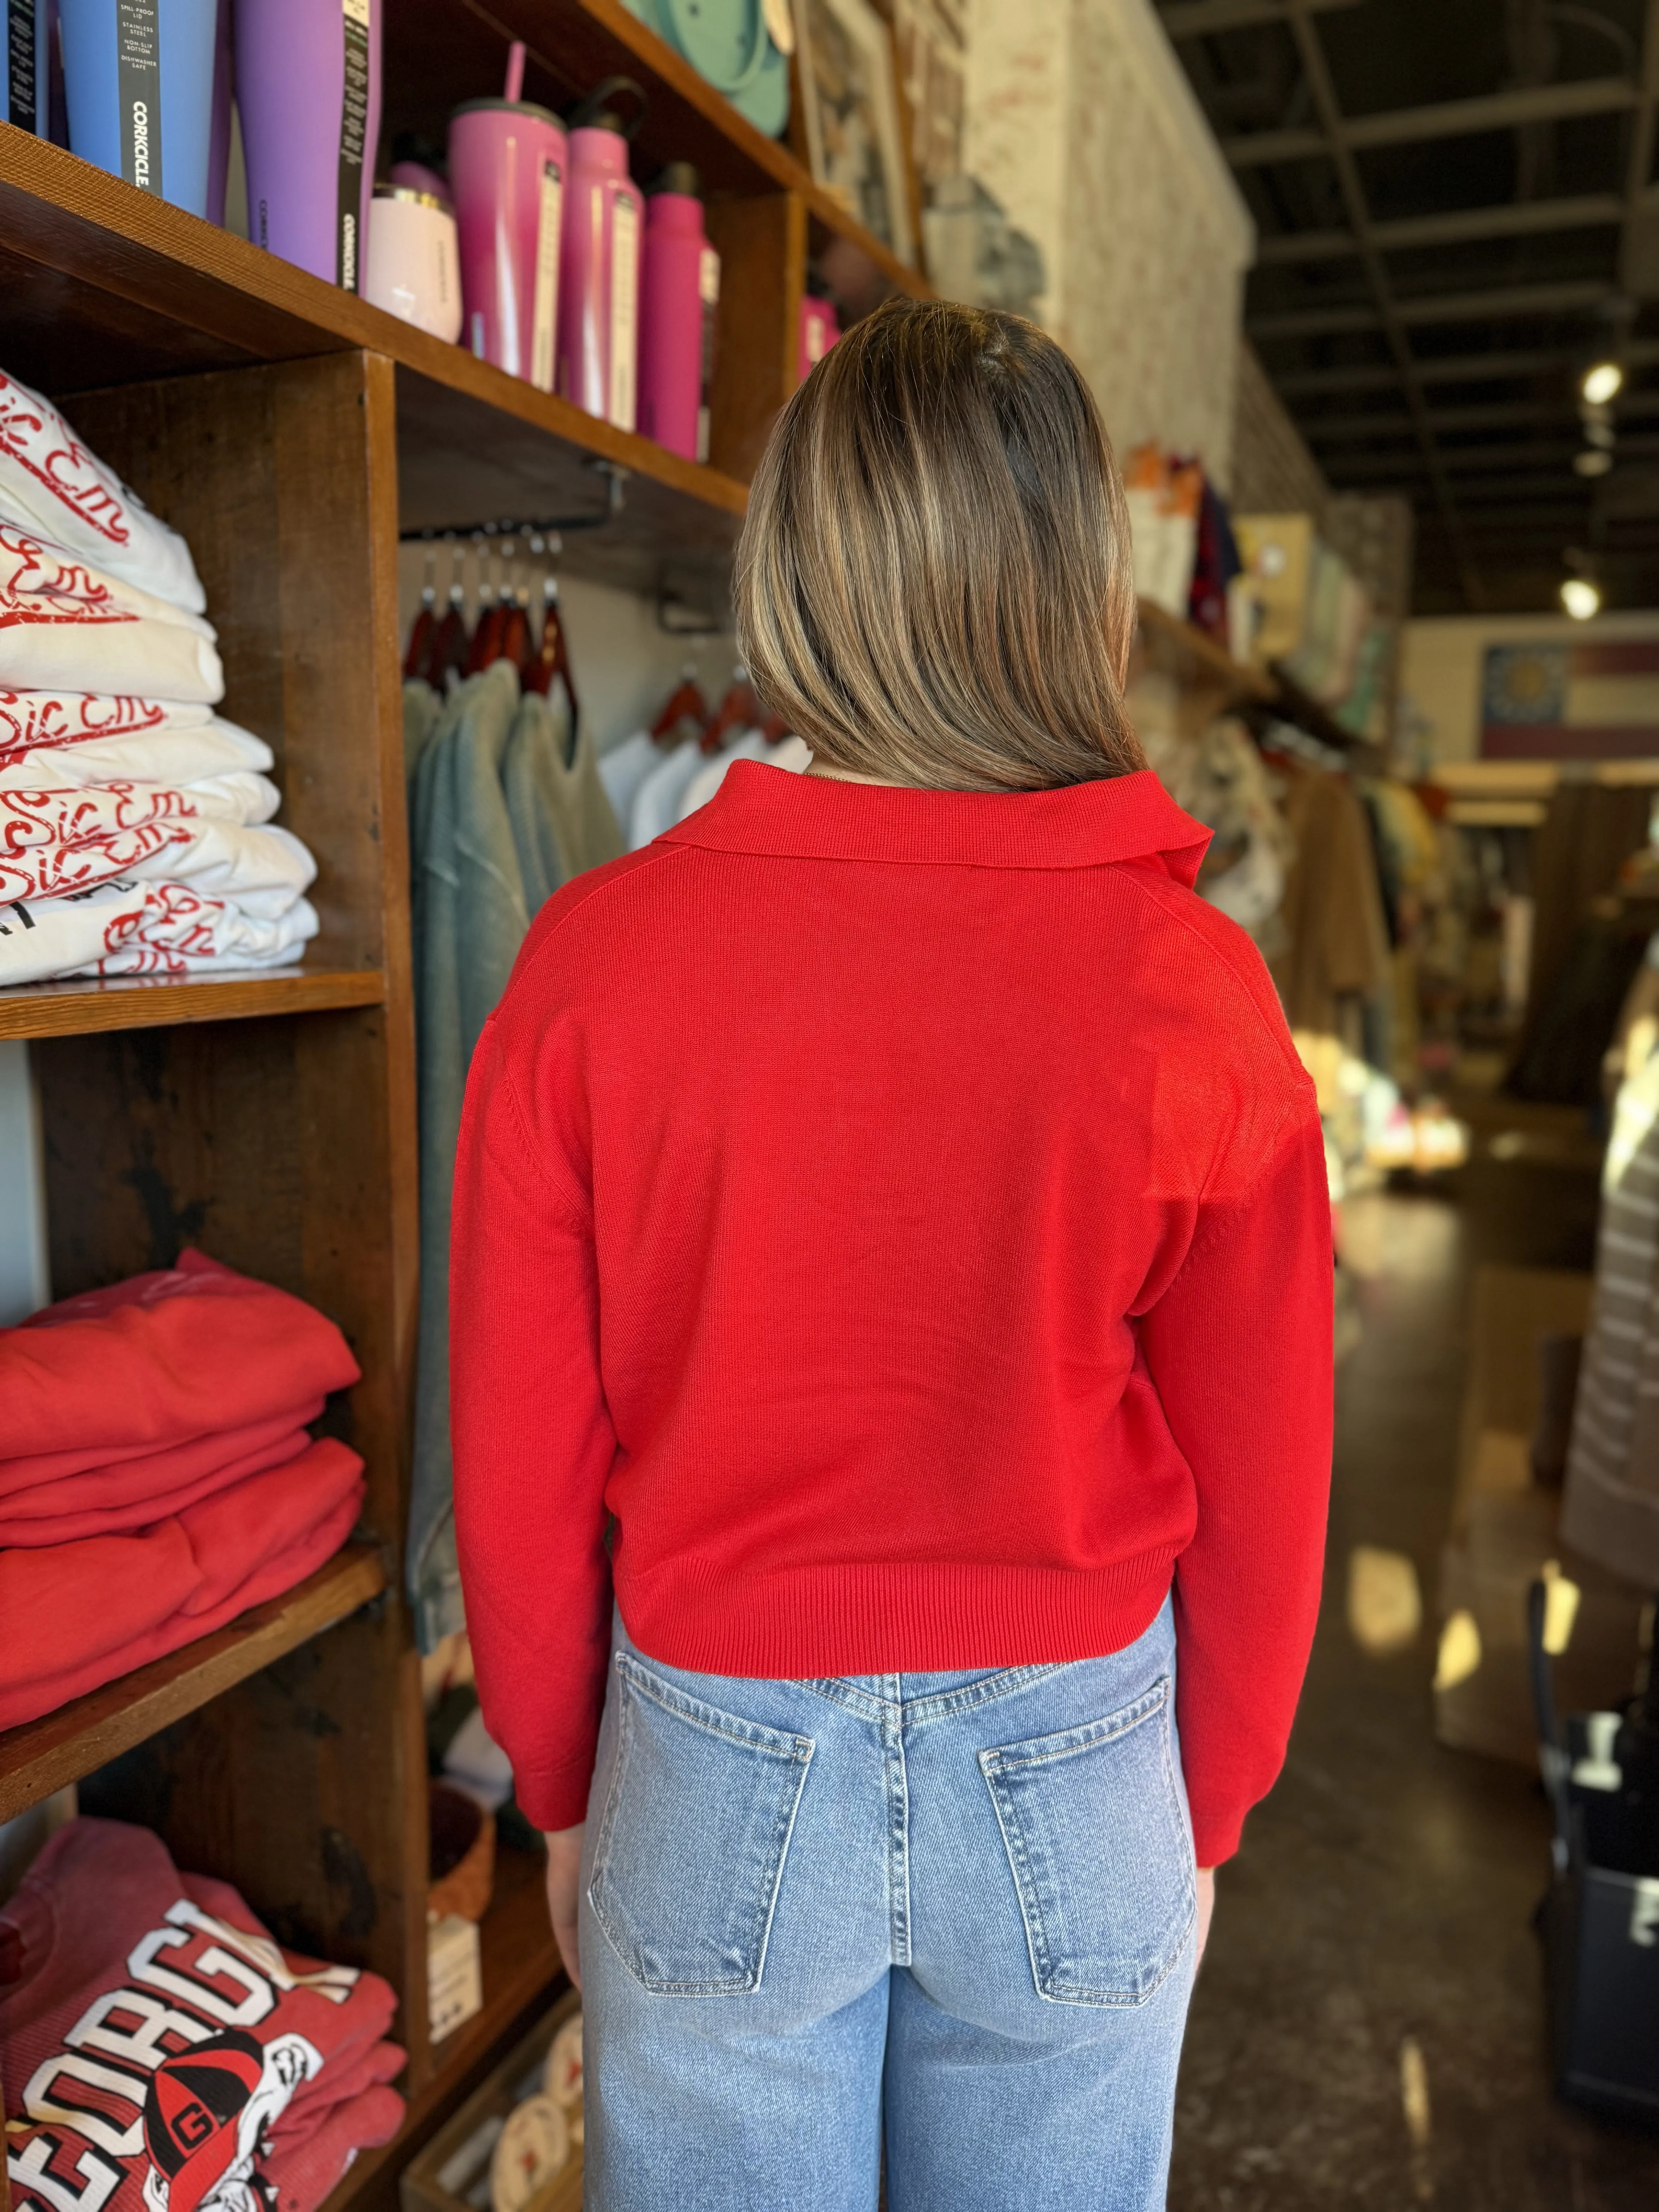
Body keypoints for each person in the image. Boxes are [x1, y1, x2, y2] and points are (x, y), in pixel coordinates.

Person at [450, 298, 1333, 2211]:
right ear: (1077, 591)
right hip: (1084, 1747)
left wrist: (559, 1777)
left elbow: (519, 1448)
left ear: (799, 568)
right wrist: (1217, 1796)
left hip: (710, 1745)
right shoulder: (1193, 989)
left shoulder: (596, 963)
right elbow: (1267, 1462)